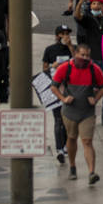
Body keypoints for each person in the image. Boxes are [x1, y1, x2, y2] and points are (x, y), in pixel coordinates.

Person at [50, 41, 103, 184]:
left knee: (87, 141)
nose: (85, 58)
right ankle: (73, 166)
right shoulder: (65, 68)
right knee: (72, 138)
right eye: (82, 55)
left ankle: (91, 172)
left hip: (87, 112)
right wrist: (63, 98)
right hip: (70, 111)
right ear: (75, 54)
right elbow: (54, 87)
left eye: (87, 55)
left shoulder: (94, 69)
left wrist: (96, 98)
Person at [41, 24, 72, 163]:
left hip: (69, 88)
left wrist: (70, 45)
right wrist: (52, 66)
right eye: (63, 33)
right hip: (55, 88)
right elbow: (44, 69)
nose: (66, 36)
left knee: (67, 120)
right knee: (58, 119)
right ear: (58, 35)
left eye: (67, 34)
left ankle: (65, 145)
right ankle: (60, 147)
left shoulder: (71, 49)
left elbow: (79, 61)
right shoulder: (49, 50)